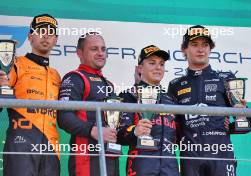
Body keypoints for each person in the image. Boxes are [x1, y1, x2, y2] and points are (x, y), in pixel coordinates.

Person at [168, 25, 251, 176]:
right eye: (194, 45)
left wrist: (234, 125)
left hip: (221, 156)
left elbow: (248, 124)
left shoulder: (226, 79)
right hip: (190, 157)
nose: (200, 50)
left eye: (205, 45)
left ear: (210, 49)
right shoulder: (175, 85)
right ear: (184, 49)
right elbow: (172, 126)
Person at [0, 14, 60, 175]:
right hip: (21, 143)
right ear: (30, 36)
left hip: (52, 148)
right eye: (40, 31)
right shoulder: (15, 64)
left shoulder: (56, 75)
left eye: (50, 32)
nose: (45, 35)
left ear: (56, 39)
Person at [57, 33, 119, 176]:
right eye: (94, 49)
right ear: (80, 53)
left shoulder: (108, 84)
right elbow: (64, 117)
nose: (100, 53)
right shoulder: (75, 77)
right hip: (86, 160)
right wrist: (93, 130)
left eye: (103, 49)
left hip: (110, 158)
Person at [117, 45, 180, 176]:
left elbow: (180, 134)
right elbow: (118, 135)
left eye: (161, 64)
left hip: (170, 168)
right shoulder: (129, 96)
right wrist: (135, 131)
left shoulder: (170, 98)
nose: (158, 67)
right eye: (152, 63)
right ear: (140, 68)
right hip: (140, 166)